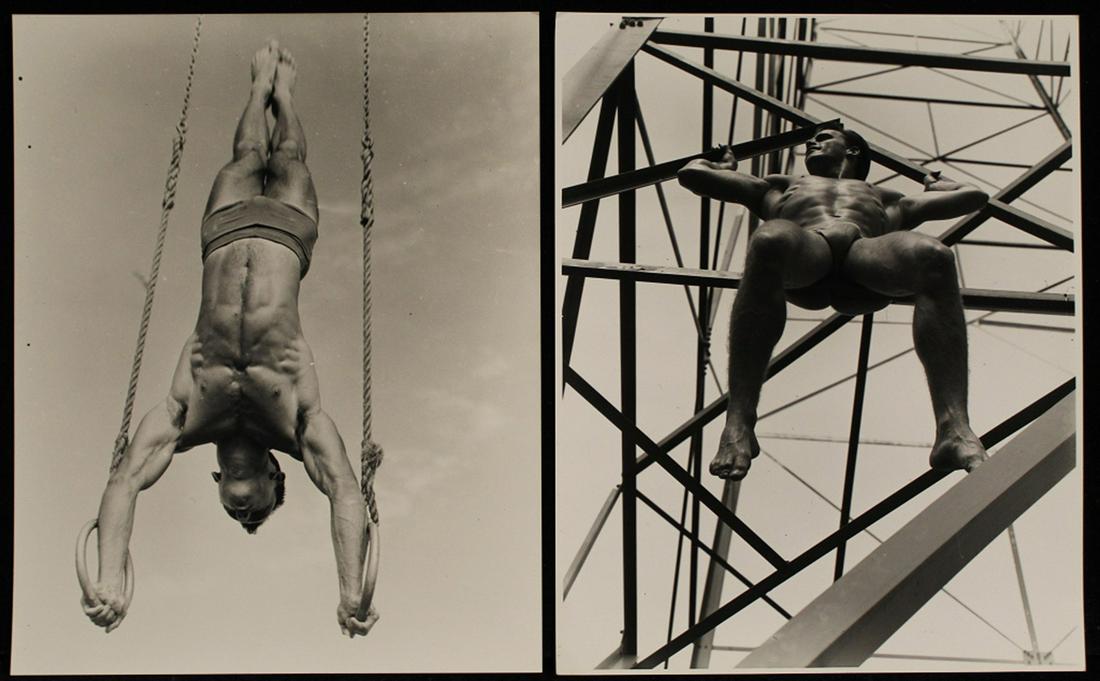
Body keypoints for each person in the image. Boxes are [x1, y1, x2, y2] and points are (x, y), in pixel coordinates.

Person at [81, 41, 378, 638]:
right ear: (274, 475)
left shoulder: (185, 417)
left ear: (215, 479)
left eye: (231, 506)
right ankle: (282, 93)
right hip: (288, 239)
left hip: (221, 238)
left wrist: (109, 584)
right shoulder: (298, 422)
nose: (240, 506)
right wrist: (353, 592)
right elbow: (345, 488)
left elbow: (125, 482)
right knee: (288, 154)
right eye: (255, 506)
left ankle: (256, 88)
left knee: (245, 152)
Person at [677, 127, 990, 481]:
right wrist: (719, 166)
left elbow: (974, 196)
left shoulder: (885, 196)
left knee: (934, 255)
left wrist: (941, 186)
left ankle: (954, 428)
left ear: (853, 151)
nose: (811, 142)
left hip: (865, 255)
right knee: (769, 238)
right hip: (807, 249)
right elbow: (692, 175)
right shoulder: (779, 186)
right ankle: (739, 421)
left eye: (824, 137)